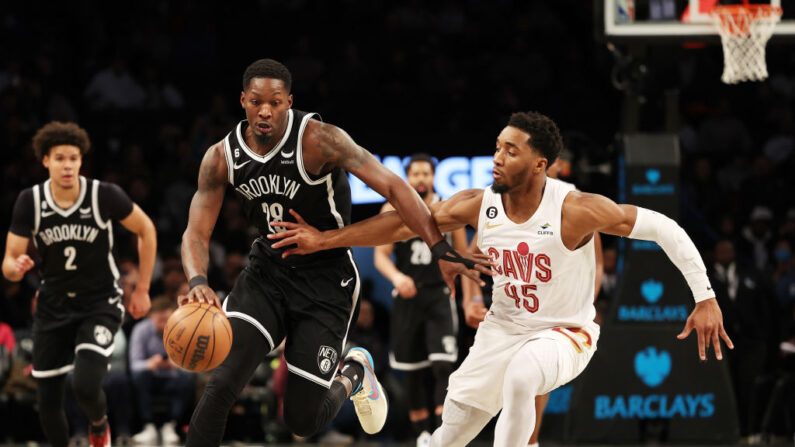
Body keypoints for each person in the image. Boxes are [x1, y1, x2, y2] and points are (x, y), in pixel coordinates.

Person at [268, 111, 734, 446]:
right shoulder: (479, 202)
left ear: (539, 165)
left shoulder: (574, 209)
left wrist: (705, 296)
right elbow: (402, 223)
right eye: (496, 147)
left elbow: (664, 227)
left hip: (565, 332)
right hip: (501, 330)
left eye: (510, 151)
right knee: (448, 436)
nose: (497, 157)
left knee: (523, 377)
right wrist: (325, 239)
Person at [178, 59, 483, 445]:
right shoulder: (221, 157)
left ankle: (354, 372)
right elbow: (195, 232)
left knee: (302, 421)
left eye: (275, 101)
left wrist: (438, 247)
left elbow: (394, 188)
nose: (265, 110)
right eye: (256, 101)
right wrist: (198, 280)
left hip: (327, 280)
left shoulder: (320, 139)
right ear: (243, 101)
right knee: (221, 384)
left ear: (289, 102)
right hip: (266, 275)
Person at [2, 121, 156, 447]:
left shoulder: (104, 195)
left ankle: (99, 425)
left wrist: (142, 288)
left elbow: (146, 230)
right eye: (60, 158)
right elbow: (8, 263)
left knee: (85, 385)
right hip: (53, 303)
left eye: (74, 158)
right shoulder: (30, 201)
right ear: (45, 160)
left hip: (99, 302)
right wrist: (16, 269)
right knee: (47, 401)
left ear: (81, 160)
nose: (68, 165)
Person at [460, 151, 604, 447]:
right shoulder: (502, 202)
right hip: (507, 304)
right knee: (485, 383)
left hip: (553, 307)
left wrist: (584, 305)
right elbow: (470, 258)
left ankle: (530, 441)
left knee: (531, 377)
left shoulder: (574, 205)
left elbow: (597, 263)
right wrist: (471, 299)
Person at [373, 153, 468, 446]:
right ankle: (422, 435)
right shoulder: (392, 208)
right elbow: (380, 255)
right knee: (412, 372)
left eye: (427, 174)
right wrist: (397, 278)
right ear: (408, 178)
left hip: (439, 295)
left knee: (442, 365)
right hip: (408, 297)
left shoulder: (450, 209)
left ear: (434, 177)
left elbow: (461, 256)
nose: (422, 179)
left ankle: (441, 433)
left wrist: (467, 296)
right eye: (416, 174)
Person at [129, 296, 195, 445]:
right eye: (160, 320)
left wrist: (177, 364)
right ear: (151, 316)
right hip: (150, 377)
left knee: (188, 378)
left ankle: (170, 425)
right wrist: (150, 364)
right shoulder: (141, 330)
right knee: (138, 376)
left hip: (173, 377)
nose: (165, 324)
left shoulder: (183, 331)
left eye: (168, 319)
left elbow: (191, 366)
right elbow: (134, 365)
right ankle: (148, 425)